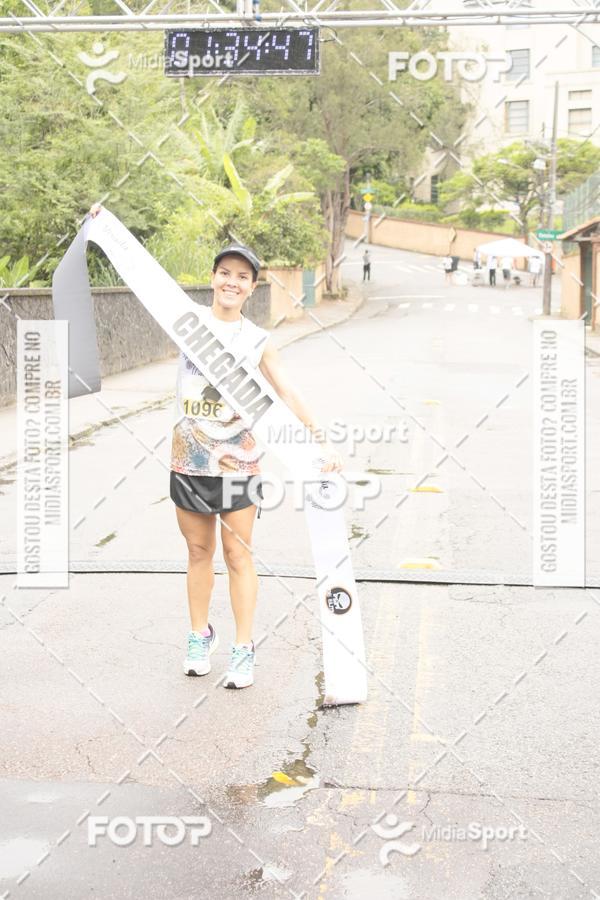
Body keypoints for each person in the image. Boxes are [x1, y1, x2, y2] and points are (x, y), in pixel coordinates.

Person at [89, 204, 342, 690]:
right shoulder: (186, 321)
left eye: (242, 276)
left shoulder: (258, 339)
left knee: (237, 554)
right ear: (213, 278)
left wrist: (320, 442)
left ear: (251, 287)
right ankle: (198, 635)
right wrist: (106, 227)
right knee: (199, 550)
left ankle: (243, 648)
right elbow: (143, 278)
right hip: (189, 458)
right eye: (225, 273)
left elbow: (287, 391)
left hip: (239, 461)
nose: (231, 281)